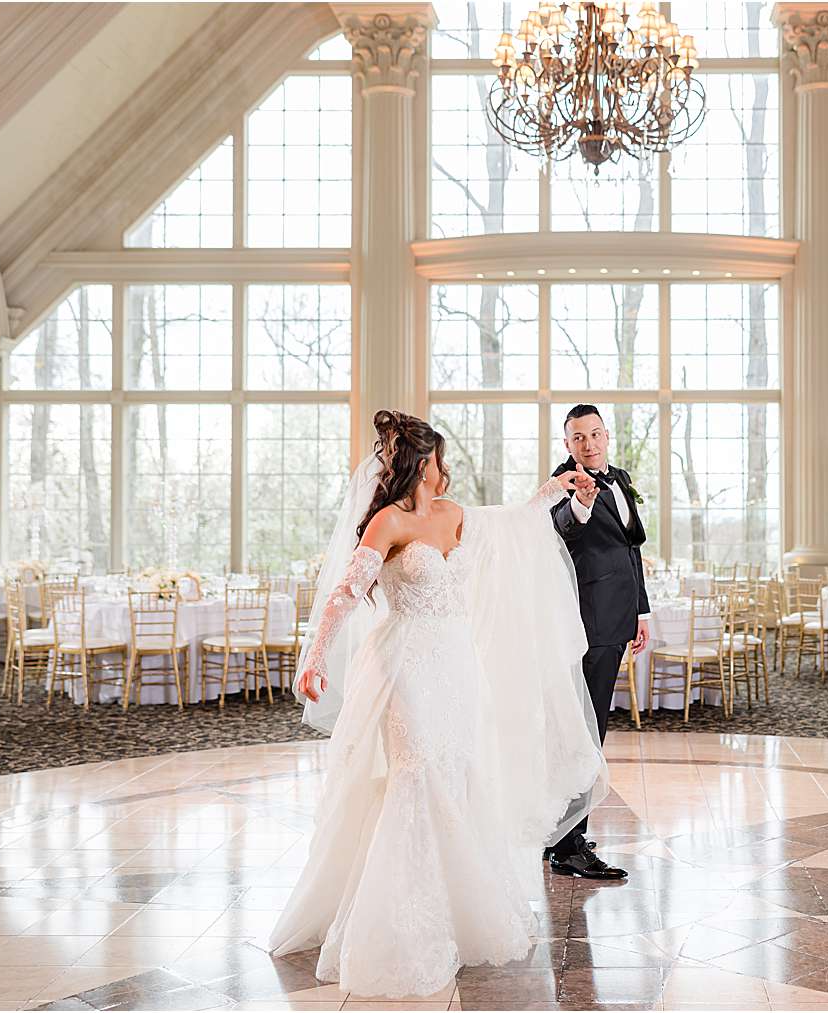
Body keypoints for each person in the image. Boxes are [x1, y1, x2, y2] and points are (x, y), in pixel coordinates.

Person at [268, 409, 608, 999]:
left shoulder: (454, 516)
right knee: (416, 772)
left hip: (457, 664)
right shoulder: (387, 523)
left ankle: (457, 912)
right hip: (405, 664)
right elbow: (346, 593)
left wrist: (558, 487)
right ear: (423, 463)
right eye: (439, 458)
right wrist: (314, 657)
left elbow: (513, 523)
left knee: (458, 773)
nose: (445, 468)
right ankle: (400, 922)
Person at [545, 404, 651, 880]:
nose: (588, 444)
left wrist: (641, 611)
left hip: (619, 619)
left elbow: (632, 549)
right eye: (577, 438)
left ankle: (565, 832)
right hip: (586, 623)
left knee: (592, 727)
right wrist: (581, 504)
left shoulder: (622, 477)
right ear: (567, 445)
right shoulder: (567, 481)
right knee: (584, 732)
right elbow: (561, 528)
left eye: (594, 434)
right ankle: (568, 846)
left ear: (606, 436)